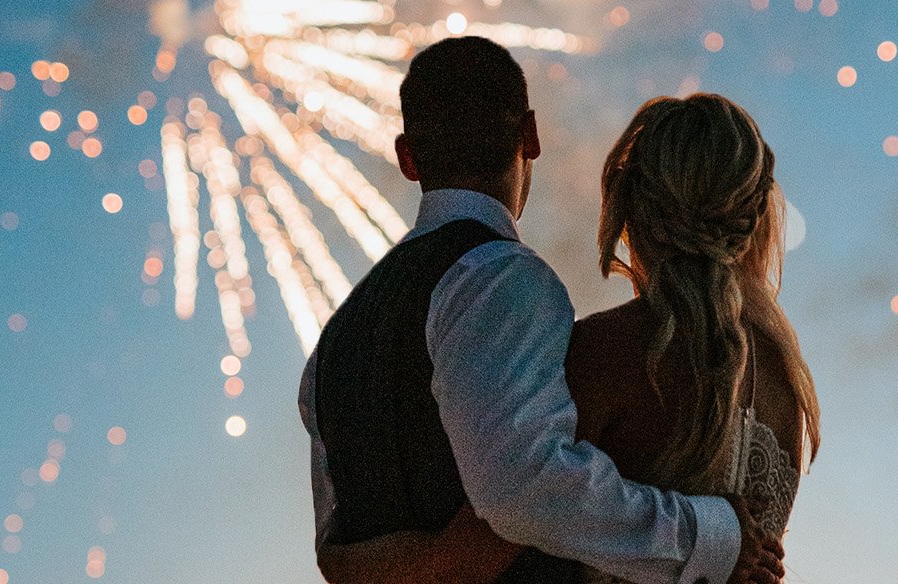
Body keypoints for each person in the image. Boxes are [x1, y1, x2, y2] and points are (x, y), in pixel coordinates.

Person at [301, 37, 784, 584]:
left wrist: (432, 561)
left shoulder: (332, 344)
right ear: (530, 135)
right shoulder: (503, 277)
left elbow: (338, 551)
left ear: (408, 159)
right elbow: (524, 487)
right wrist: (712, 535)